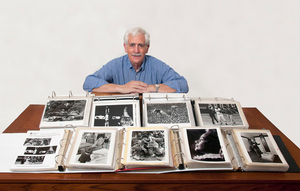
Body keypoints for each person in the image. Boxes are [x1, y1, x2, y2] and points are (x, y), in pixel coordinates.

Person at [83, 27, 189, 94]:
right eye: (132, 45)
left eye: (141, 45)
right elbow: (88, 83)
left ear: (147, 48)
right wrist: (121, 88)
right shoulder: (115, 65)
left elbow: (183, 84)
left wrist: (153, 88)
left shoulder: (157, 65)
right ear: (125, 48)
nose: (136, 50)